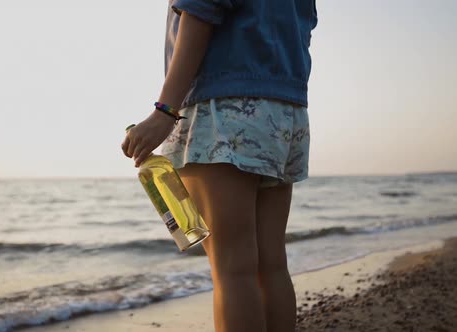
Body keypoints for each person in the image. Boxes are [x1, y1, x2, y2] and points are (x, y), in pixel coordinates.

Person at [122, 1, 317, 331]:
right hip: (286, 111)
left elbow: (201, 11)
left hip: (224, 109)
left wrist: (165, 112)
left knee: (233, 270)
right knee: (270, 265)